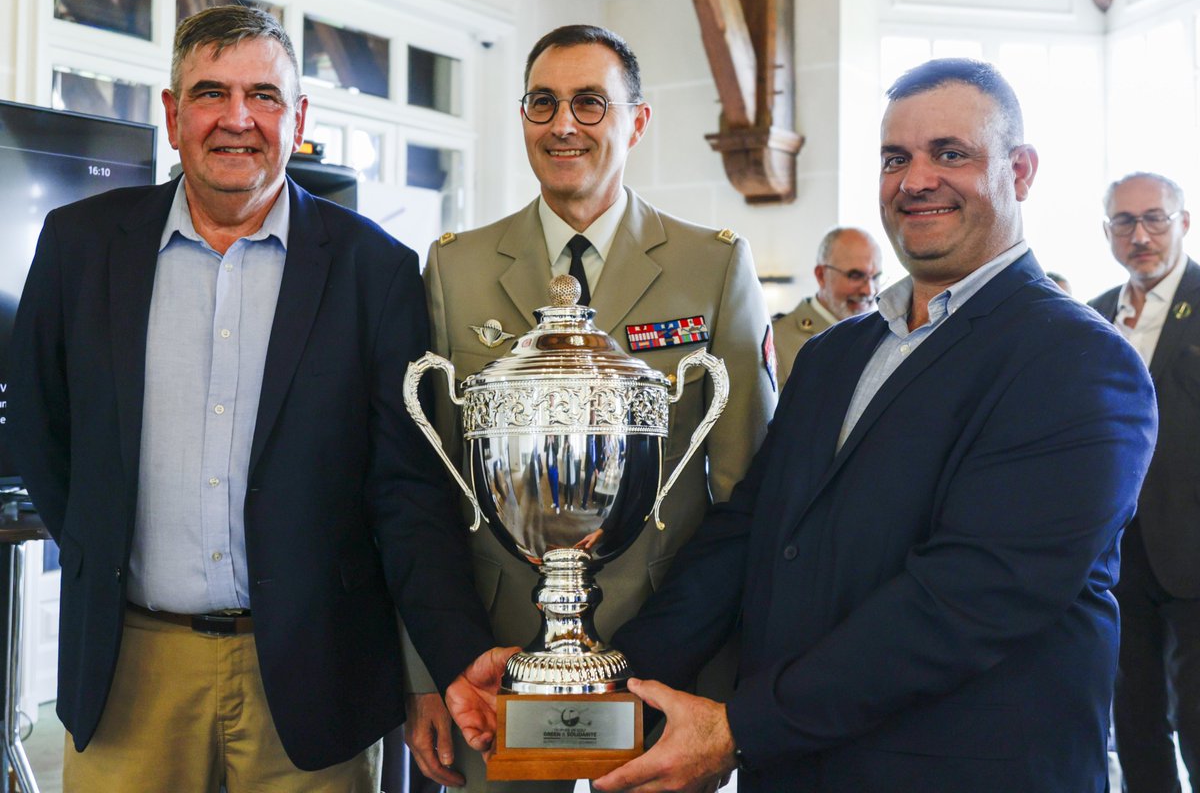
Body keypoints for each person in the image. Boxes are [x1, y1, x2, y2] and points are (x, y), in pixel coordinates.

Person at [452, 57, 1159, 793]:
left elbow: (966, 599)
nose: (916, 179)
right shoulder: (835, 353)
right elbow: (746, 537)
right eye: (895, 158)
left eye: (950, 153)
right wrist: (588, 677)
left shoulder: (1079, 361)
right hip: (797, 768)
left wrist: (739, 729)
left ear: (1021, 170)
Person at [8, 5, 496, 791]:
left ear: (297, 116)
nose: (238, 120)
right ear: (172, 115)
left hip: (314, 674)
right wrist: (102, 548)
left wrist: (438, 662)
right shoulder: (79, 247)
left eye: (264, 95)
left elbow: (407, 490)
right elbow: (40, 427)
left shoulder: (376, 271)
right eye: (211, 93)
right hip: (130, 669)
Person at [401, 23, 777, 793]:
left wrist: (731, 679)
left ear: (636, 121)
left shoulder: (712, 264)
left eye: (589, 103)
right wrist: (427, 671)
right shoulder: (455, 266)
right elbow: (424, 494)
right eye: (543, 103)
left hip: (674, 650)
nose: (563, 125)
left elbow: (748, 493)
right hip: (496, 663)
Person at [1089, 171, 1200, 792]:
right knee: (1132, 721)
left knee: (1198, 719)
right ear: (1107, 232)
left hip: (1194, 550)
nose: (1141, 235)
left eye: (1155, 218)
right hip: (1116, 557)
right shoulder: (1095, 315)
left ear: (1183, 223)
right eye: (1124, 222)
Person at [772, 226, 883, 387]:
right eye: (855, 276)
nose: (869, 290)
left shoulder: (882, 338)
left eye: (876, 277)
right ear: (821, 275)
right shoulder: (778, 341)